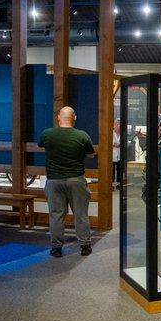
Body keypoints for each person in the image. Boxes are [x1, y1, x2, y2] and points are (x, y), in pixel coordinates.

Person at [39, 106, 96, 258]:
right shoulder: (82, 135)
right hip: (76, 180)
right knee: (80, 214)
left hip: (54, 181)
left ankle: (56, 248)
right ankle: (84, 246)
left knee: (56, 215)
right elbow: (91, 154)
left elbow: (41, 146)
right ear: (74, 118)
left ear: (59, 117)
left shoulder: (47, 134)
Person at [113, 118, 121, 189]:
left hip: (120, 155)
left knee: (119, 171)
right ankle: (111, 185)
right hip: (112, 155)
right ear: (114, 125)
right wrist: (114, 144)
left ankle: (119, 184)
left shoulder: (123, 134)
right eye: (117, 124)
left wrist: (118, 144)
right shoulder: (111, 133)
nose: (118, 126)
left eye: (119, 125)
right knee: (111, 171)